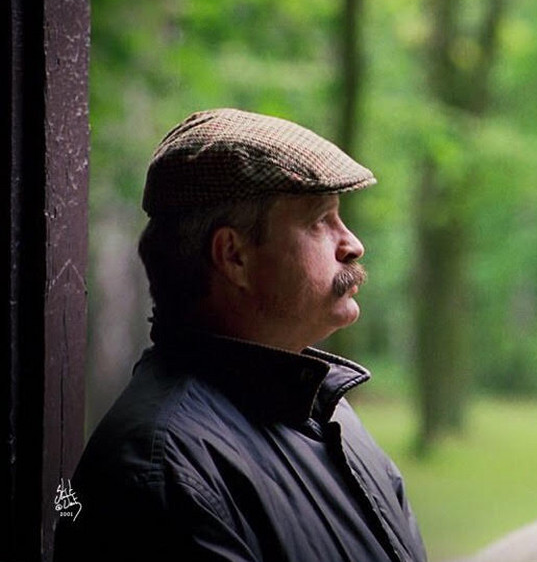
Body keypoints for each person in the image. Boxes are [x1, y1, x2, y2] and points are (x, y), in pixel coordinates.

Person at [55, 108, 427, 562]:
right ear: (234, 256)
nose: (351, 244)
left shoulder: (323, 411)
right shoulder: (161, 475)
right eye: (318, 221)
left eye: (339, 218)